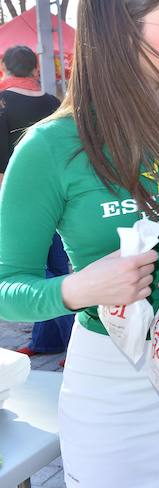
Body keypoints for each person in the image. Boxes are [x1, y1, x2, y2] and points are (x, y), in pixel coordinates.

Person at [0, 0, 159, 488]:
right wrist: (79, 287)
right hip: (115, 393)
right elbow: (7, 287)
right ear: (121, 32)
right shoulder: (49, 147)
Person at [0, 46, 74, 360]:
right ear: (35, 69)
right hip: (60, 198)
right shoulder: (53, 103)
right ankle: (48, 341)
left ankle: (74, 340)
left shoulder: (3, 103)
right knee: (54, 267)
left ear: (5, 68)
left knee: (39, 273)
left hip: (22, 201)